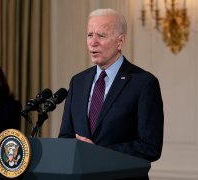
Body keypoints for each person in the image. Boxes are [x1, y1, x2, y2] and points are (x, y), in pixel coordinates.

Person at [58, 8, 164, 180]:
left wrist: (98, 153)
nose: (93, 42)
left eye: (101, 35)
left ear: (120, 41)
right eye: (89, 35)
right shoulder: (77, 82)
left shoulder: (143, 83)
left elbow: (150, 146)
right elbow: (66, 137)